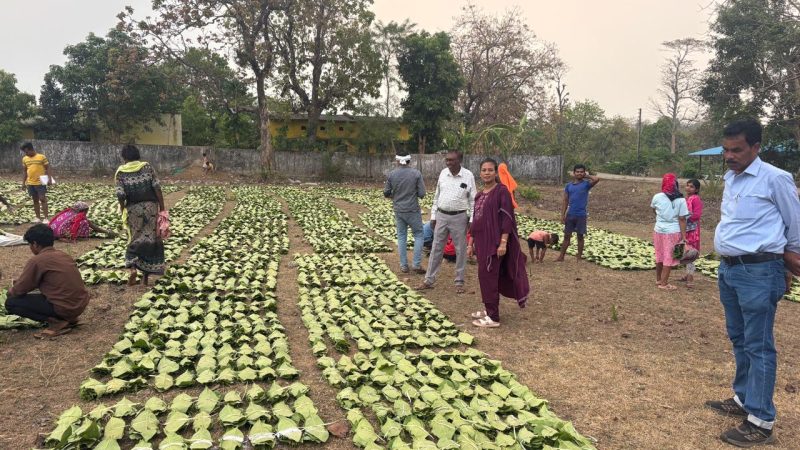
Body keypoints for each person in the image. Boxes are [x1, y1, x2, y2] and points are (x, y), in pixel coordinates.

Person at [705, 119, 800, 447]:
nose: (729, 156)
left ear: (756, 147)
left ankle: (760, 421)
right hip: (730, 270)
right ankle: (744, 398)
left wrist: (788, 264)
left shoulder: (776, 179)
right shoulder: (731, 177)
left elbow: (795, 224)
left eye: (737, 150)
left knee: (758, 345)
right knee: (739, 337)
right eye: (726, 150)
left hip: (759, 272)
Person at [466, 158, 529, 328]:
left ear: (496, 173)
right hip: (481, 243)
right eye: (484, 170)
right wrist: (470, 244)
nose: (487, 173)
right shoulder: (479, 195)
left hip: (494, 244)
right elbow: (475, 221)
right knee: (485, 277)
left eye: (490, 170)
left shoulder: (502, 192)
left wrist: (503, 243)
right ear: (480, 173)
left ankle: (493, 317)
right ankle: (489, 308)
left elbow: (507, 219)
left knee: (489, 277)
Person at [5, 224, 90, 338]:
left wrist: (10, 292)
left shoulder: (37, 260)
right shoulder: (63, 255)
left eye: (30, 244)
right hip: (79, 305)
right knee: (35, 295)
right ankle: (69, 318)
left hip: (64, 307)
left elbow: (20, 289)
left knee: (11, 303)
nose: (30, 248)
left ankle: (57, 322)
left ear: (35, 244)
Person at [418, 150, 477, 294]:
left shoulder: (468, 176)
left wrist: (471, 219)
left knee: (460, 250)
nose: (448, 162)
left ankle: (459, 281)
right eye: (447, 160)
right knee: (436, 248)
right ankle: (429, 280)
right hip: (441, 216)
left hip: (459, 217)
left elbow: (473, 200)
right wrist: (433, 215)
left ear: (459, 161)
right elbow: (437, 196)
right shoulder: (443, 173)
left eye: (452, 160)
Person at [115, 144, 166, 286]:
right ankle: (145, 278)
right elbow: (157, 188)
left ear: (124, 157)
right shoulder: (147, 167)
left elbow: (120, 194)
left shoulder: (121, 172)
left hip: (133, 209)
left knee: (134, 239)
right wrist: (162, 208)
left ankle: (132, 269)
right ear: (138, 155)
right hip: (150, 208)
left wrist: (122, 207)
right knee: (150, 239)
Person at [384, 153, 426, 274]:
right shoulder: (416, 173)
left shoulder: (392, 174)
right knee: (418, 235)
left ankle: (403, 266)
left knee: (402, 236)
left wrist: (396, 195)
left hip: (399, 210)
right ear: (409, 160)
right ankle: (416, 264)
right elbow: (422, 194)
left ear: (397, 160)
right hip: (413, 210)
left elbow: (386, 193)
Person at [650, 173, 688, 291]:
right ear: (675, 184)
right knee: (669, 257)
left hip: (658, 230)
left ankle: (658, 279)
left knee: (659, 255)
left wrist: (661, 218)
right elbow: (682, 219)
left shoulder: (657, 197)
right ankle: (664, 283)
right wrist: (684, 236)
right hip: (673, 232)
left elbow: (654, 209)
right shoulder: (681, 200)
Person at [555, 164, 600, 262]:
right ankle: (561, 256)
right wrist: (562, 215)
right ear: (574, 173)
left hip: (581, 215)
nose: (579, 173)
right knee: (567, 236)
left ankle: (579, 257)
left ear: (584, 173)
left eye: (581, 172)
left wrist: (587, 176)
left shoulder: (586, 184)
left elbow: (596, 179)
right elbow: (565, 201)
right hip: (570, 214)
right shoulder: (569, 186)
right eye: (577, 172)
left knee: (580, 236)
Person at [49, 201, 118, 241]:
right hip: (60, 233)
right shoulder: (79, 215)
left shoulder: (68, 212)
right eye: (87, 210)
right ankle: (80, 237)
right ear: (84, 210)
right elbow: (93, 226)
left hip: (51, 232)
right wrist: (107, 232)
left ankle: (62, 236)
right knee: (84, 222)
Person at [20, 142, 53, 224]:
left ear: (31, 149)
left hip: (40, 182)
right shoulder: (25, 159)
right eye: (25, 152)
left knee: (42, 199)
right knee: (35, 200)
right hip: (30, 183)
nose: (26, 153)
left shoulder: (41, 157)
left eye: (26, 151)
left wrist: (49, 179)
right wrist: (23, 183)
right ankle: (38, 217)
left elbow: (47, 168)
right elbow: (25, 171)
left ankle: (46, 218)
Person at [680, 179, 703, 288]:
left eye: (692, 187)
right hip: (686, 229)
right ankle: (687, 275)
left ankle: (690, 279)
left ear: (697, 189)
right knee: (685, 252)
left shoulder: (696, 199)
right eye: (687, 186)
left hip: (693, 231)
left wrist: (684, 217)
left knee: (691, 253)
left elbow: (697, 215)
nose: (688, 188)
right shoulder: (686, 199)